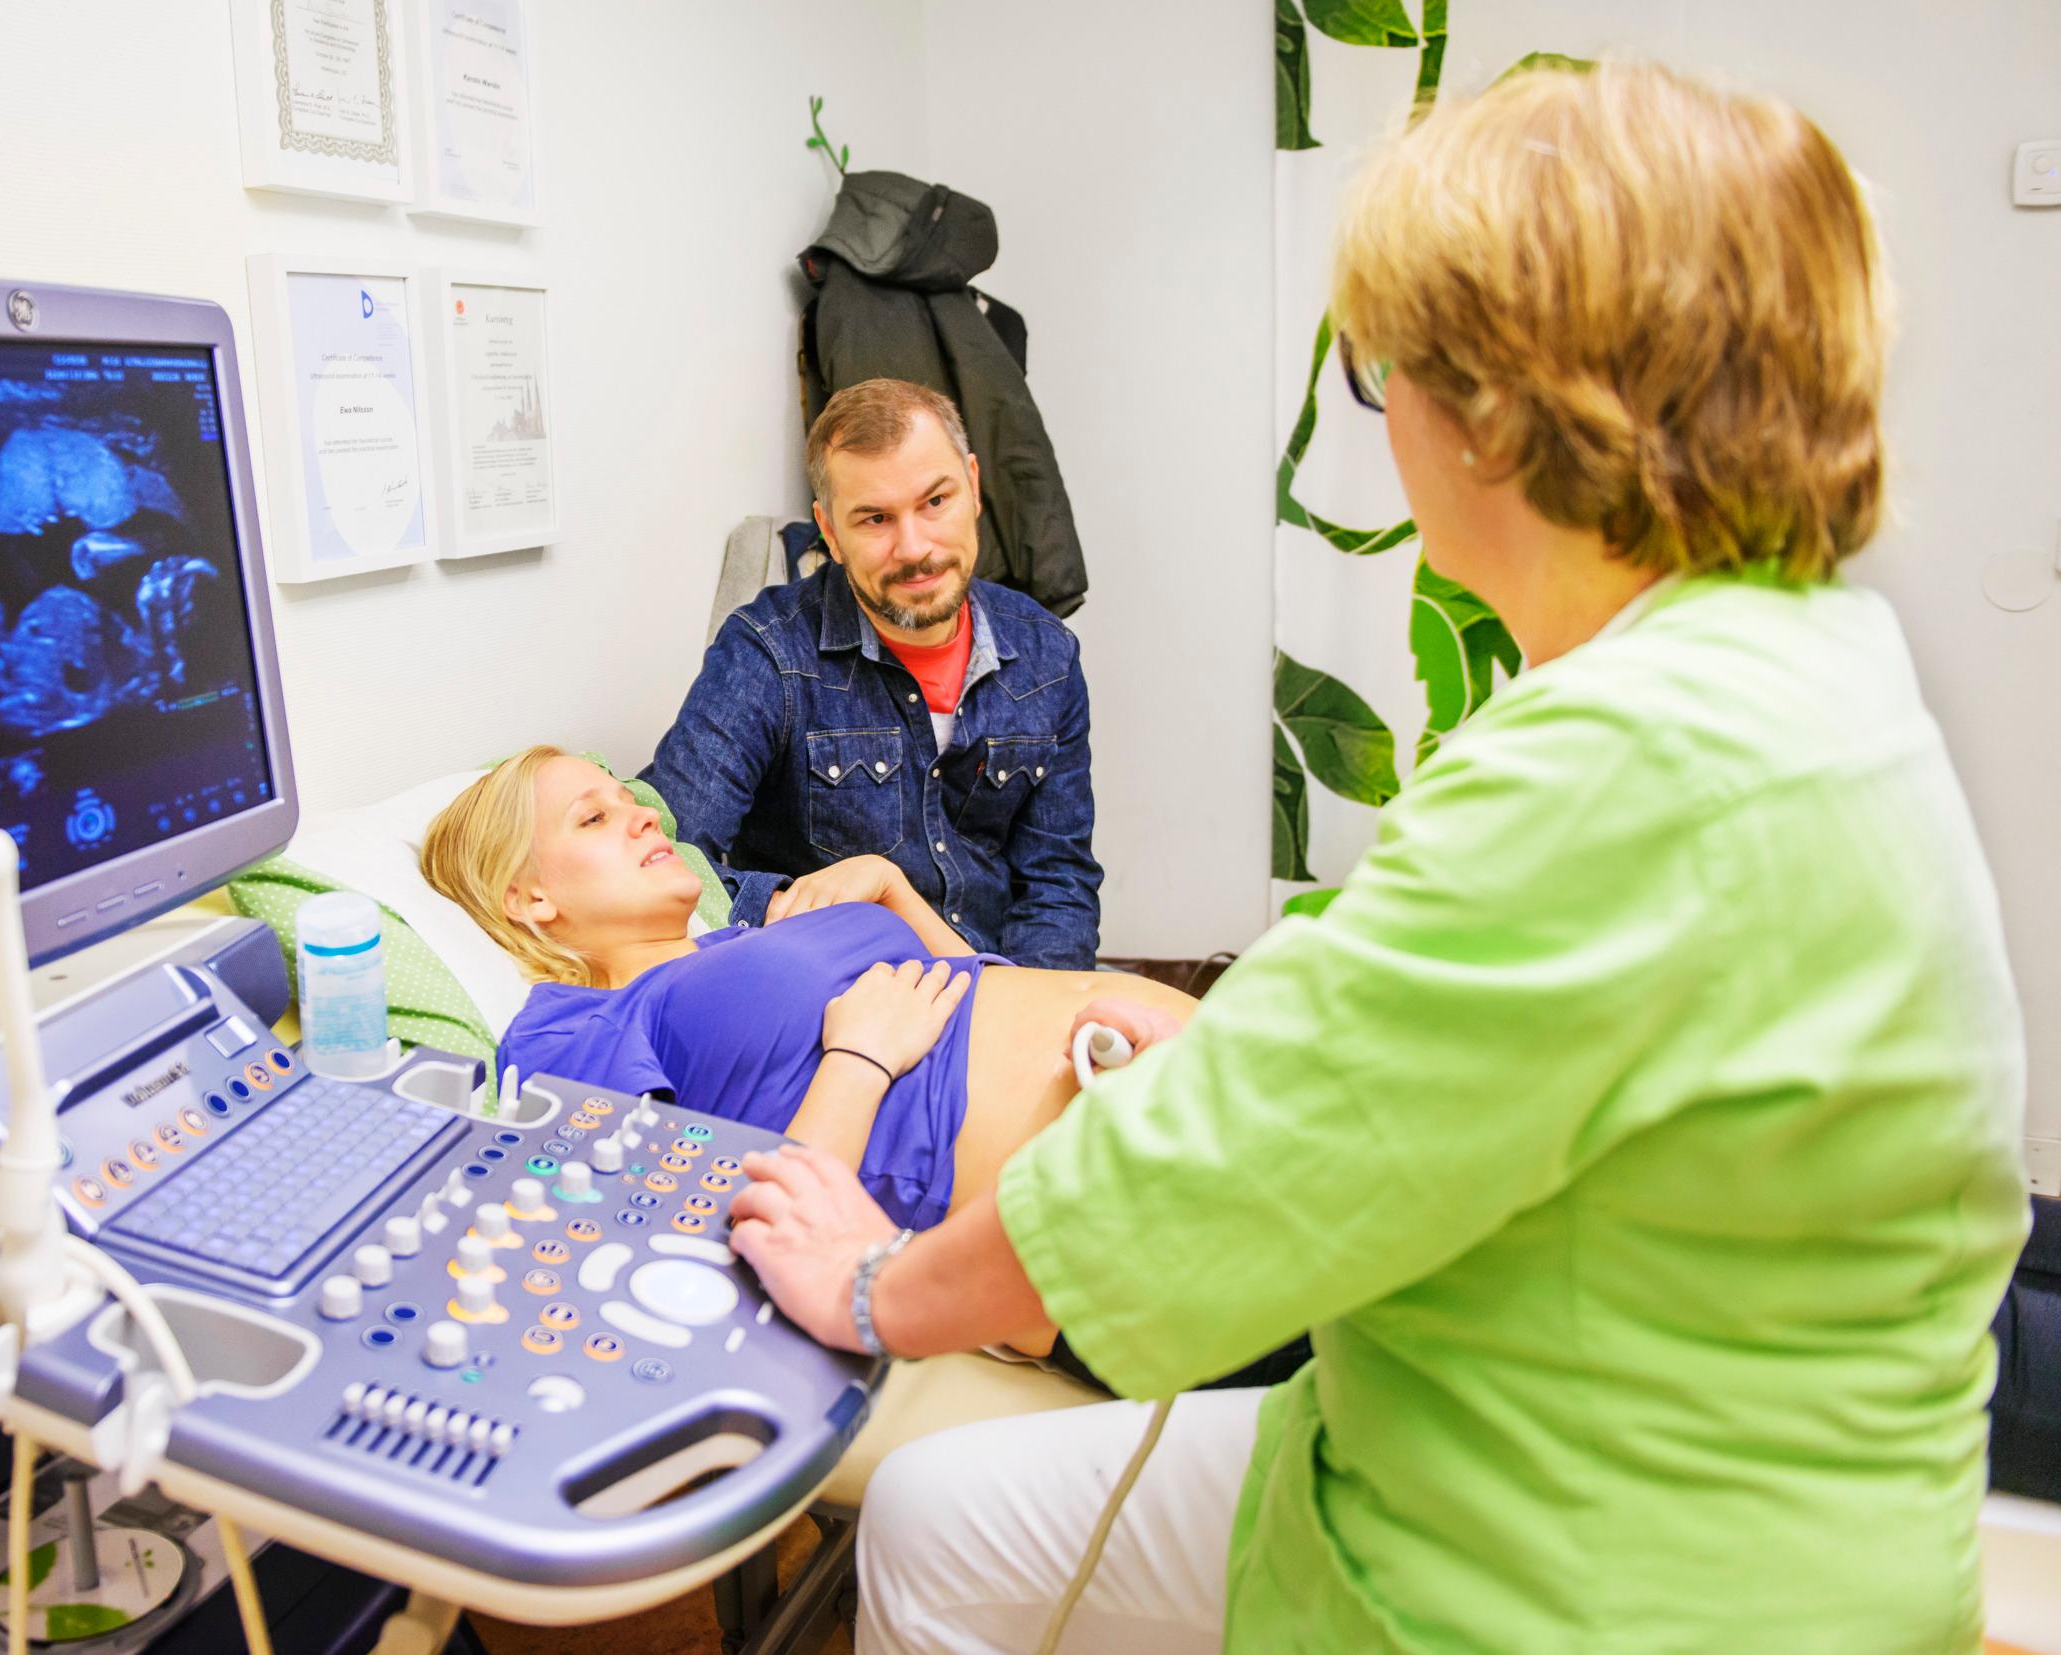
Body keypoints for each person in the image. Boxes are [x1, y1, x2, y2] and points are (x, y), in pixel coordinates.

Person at [724, 62, 2031, 1655]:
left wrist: (873, 1287)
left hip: (1594, 1565)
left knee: (943, 1527)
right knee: (935, 1516)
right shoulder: (1802, 656)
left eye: (1378, 374)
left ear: (1498, 408)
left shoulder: (1625, 760)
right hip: (1686, 1438)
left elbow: (1190, 1183)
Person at [419, 745, 1189, 1342]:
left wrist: (893, 884)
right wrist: (860, 1062)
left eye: (632, 802)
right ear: (530, 897)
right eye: (593, 818)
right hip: (1107, 1210)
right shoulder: (571, 1026)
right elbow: (675, 1238)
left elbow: (959, 986)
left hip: (1177, 1078)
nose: (647, 817)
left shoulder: (744, 935)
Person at [643, 378, 1102, 969]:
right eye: (875, 519)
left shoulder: (1047, 655)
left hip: (1002, 984)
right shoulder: (768, 655)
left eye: (936, 502)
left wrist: (1038, 1008)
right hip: (841, 998)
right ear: (830, 531)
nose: (915, 548)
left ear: (974, 487)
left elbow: (1057, 882)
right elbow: (673, 862)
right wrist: (797, 907)